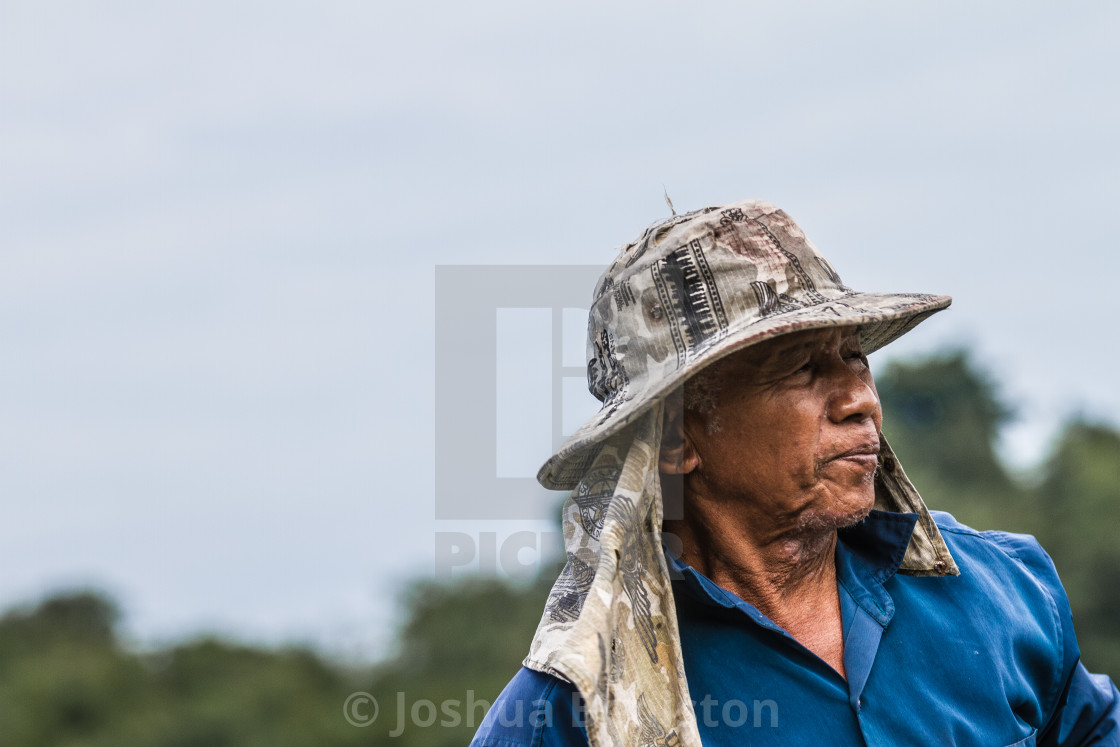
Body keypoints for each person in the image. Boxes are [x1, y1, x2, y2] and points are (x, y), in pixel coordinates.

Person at [470, 199, 1120, 746]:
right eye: (801, 368)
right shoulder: (577, 710)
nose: (860, 398)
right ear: (676, 439)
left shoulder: (1004, 593)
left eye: (854, 356)